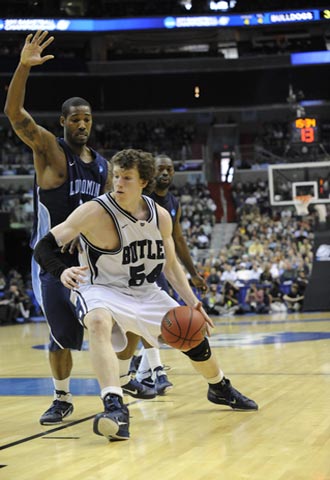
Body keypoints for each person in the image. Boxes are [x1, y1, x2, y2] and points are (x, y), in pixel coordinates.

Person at [34, 148, 258, 442]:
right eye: (116, 176)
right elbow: (43, 247)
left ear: (144, 182)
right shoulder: (94, 211)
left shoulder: (160, 216)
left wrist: (194, 304)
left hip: (145, 292)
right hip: (101, 289)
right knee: (98, 322)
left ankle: (219, 387)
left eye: (127, 178)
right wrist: (61, 271)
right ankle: (114, 406)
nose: (119, 184)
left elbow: (171, 266)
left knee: (193, 334)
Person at [4, 30, 153, 427]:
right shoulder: (51, 152)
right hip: (53, 261)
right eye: (75, 119)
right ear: (64, 122)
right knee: (62, 336)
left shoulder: (104, 166)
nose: (82, 124)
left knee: (122, 325)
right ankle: (61, 397)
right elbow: (16, 116)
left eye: (87, 118)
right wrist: (23, 67)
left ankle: (126, 380)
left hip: (91, 262)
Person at [133, 153, 209, 395]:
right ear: (150, 172)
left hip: (162, 266)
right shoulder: (142, 199)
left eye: (169, 169)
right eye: (160, 169)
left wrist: (193, 273)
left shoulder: (174, 202)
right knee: (155, 319)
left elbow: (178, 239)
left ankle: (145, 372)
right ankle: (156, 372)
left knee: (160, 321)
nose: (165, 173)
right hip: (138, 264)